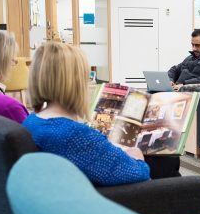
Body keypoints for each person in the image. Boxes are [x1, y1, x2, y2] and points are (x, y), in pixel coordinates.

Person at [23, 42, 179, 187]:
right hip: (115, 202)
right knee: (168, 162)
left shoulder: (32, 121)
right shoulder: (73, 134)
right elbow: (138, 173)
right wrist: (136, 155)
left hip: (68, 193)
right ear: (74, 83)